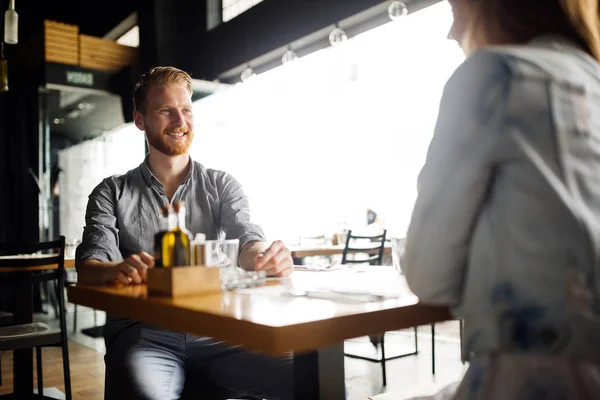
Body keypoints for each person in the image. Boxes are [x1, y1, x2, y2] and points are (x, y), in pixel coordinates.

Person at [402, 0, 600, 398]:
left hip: (540, 374)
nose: (452, 32)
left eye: (456, 11)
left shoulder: (494, 75)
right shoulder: (591, 81)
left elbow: (428, 277)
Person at [76, 66, 296, 399]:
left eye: (186, 110)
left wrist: (264, 257)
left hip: (218, 330)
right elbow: (90, 266)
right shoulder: (111, 191)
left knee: (318, 380)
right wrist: (116, 269)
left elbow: (246, 238)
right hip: (144, 335)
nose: (181, 122)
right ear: (140, 120)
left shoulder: (222, 184)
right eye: (166, 111)